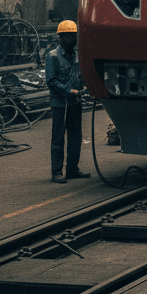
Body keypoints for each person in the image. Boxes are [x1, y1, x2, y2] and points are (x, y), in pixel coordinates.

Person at [46, 19, 90, 184]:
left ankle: (72, 169)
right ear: (62, 37)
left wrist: (85, 86)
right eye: (70, 36)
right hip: (60, 104)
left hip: (75, 102)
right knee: (58, 138)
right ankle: (57, 172)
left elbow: (80, 74)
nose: (73, 39)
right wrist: (67, 91)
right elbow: (51, 81)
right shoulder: (53, 56)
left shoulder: (77, 54)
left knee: (76, 136)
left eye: (74, 36)